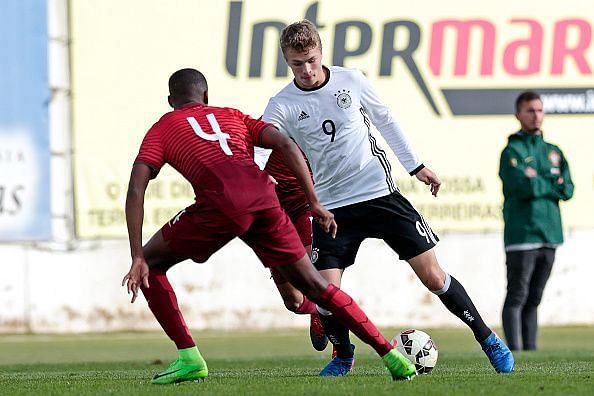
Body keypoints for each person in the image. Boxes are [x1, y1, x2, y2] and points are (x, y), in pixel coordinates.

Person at [122, 68, 419, 385]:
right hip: (265, 198)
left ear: (171, 101)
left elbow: (136, 189)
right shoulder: (233, 115)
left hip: (220, 205)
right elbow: (287, 146)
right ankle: (391, 356)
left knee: (151, 264)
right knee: (315, 288)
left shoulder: (163, 128)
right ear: (206, 96)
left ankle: (189, 358)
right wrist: (315, 201)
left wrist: (136, 254)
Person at [262, 20, 515, 376]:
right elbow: (261, 147)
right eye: (296, 64)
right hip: (332, 207)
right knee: (323, 292)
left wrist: (416, 166)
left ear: (321, 52)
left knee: (433, 277)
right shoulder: (282, 104)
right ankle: (342, 356)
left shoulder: (351, 80)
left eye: (311, 60)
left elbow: (385, 119)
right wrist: (253, 181)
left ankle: (488, 339)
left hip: (379, 194)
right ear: (287, 62)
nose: (306, 70)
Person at [499, 91, 574, 351]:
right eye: (530, 110)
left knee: (534, 298)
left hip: (550, 234)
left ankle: (531, 352)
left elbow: (568, 190)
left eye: (540, 110)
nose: (536, 115)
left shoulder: (554, 152)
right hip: (522, 235)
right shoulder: (512, 151)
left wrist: (537, 180)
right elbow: (521, 185)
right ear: (518, 114)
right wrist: (550, 182)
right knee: (517, 295)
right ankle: (514, 352)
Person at [254, 146, 329, 352]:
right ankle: (317, 311)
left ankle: (342, 352)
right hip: (273, 210)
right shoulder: (266, 126)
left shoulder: (311, 123)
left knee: (316, 273)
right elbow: (249, 159)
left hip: (305, 203)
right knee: (294, 302)